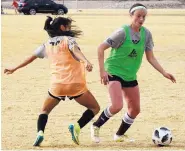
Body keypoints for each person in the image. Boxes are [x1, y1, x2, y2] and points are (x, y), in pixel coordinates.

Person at [4, 16, 100, 146]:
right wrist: (85, 61)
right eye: (68, 26)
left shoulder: (46, 44)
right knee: (94, 107)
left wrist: (14, 68)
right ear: (62, 27)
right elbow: (75, 50)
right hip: (75, 84)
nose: (70, 29)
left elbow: (31, 57)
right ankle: (77, 126)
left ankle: (40, 133)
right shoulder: (69, 40)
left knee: (44, 111)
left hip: (57, 85)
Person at [90, 3, 176, 143]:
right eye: (138, 16)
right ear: (131, 16)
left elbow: (150, 57)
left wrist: (164, 72)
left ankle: (119, 135)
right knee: (117, 105)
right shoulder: (122, 32)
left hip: (130, 75)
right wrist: (102, 71)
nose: (141, 19)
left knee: (135, 110)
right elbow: (100, 48)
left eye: (144, 16)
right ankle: (95, 126)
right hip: (114, 71)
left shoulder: (146, 34)